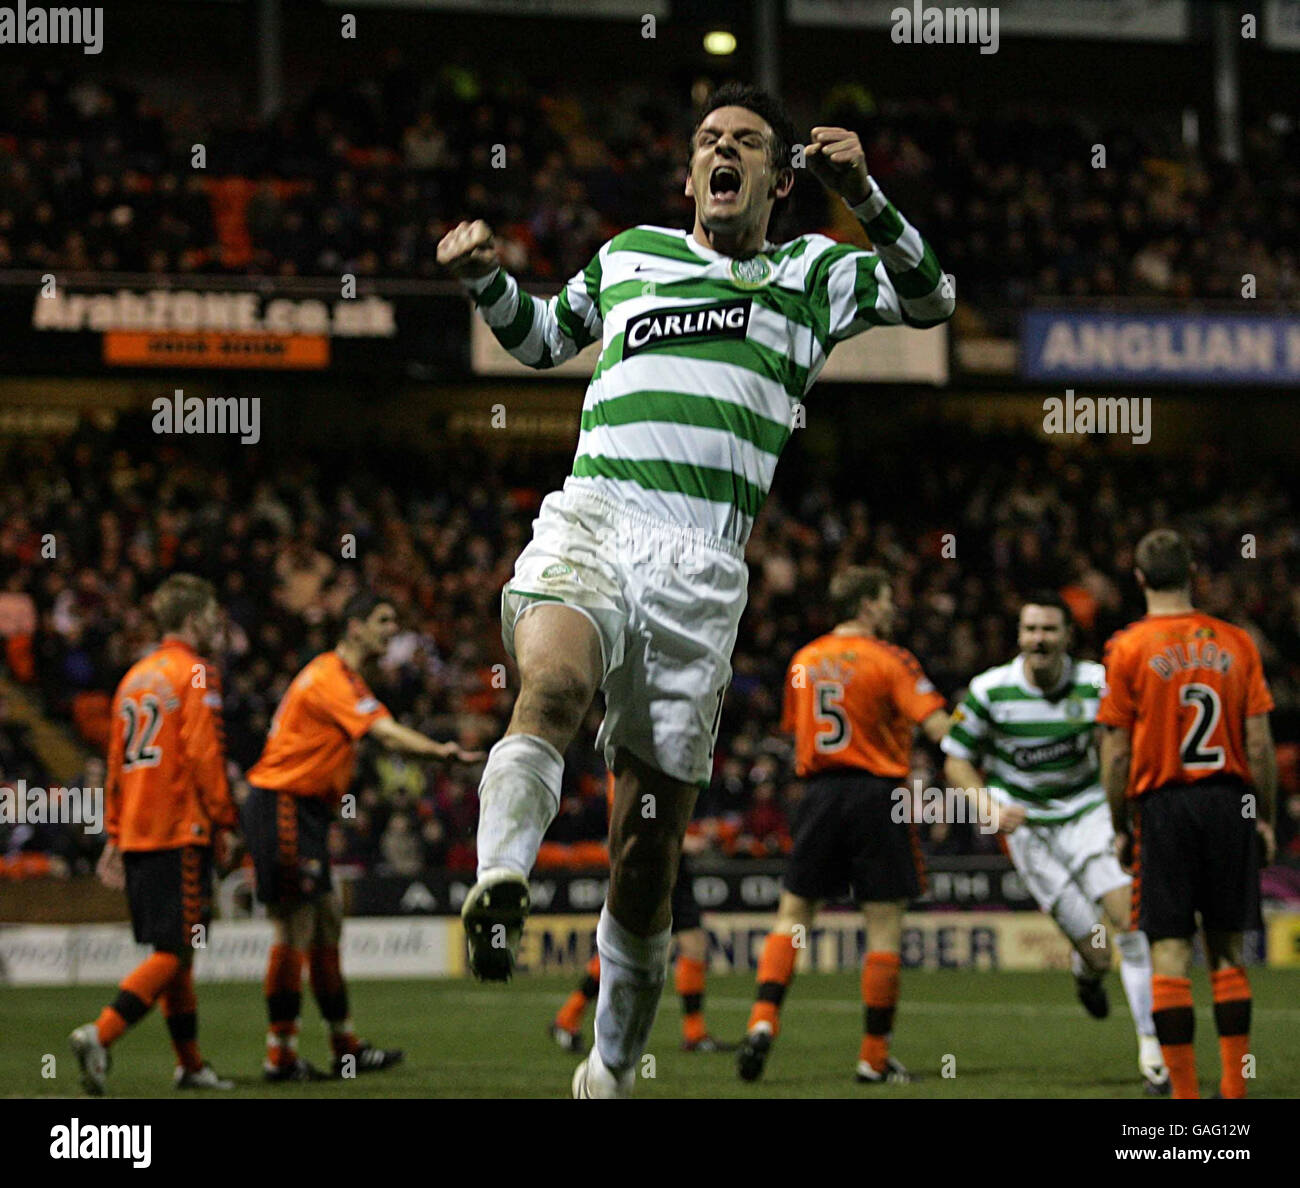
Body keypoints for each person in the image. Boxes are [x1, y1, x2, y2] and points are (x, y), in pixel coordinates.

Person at [439, 81, 954, 1098]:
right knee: (548, 688)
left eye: (749, 144)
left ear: (778, 177)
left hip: (700, 564)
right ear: (688, 174)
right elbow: (540, 339)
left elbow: (932, 300)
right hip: (594, 512)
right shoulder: (630, 254)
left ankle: (613, 1063)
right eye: (710, 141)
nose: (725, 153)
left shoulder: (813, 272)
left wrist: (869, 194)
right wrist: (488, 282)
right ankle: (500, 877)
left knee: (647, 847)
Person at [243, 591, 482, 1080]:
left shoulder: (343, 678)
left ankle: (344, 1049)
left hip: (302, 809)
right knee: (295, 927)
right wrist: (442, 754)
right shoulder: (330, 676)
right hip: (283, 804)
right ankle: (280, 1057)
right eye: (383, 620)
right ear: (354, 627)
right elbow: (387, 734)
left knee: (326, 920)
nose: (391, 629)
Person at [942, 592, 1169, 1095]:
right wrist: (988, 809)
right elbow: (956, 761)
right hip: (1029, 830)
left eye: (1048, 630)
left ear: (1068, 636)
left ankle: (1153, 1052)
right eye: (1030, 630)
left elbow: (1126, 742)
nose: (1038, 640)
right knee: (1099, 954)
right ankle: (1087, 974)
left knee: (1131, 925)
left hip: (1088, 813)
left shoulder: (1096, 683)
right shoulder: (989, 690)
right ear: (1018, 636)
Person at [736, 567, 949, 1085]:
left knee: (793, 916)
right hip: (878, 796)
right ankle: (873, 1059)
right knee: (883, 925)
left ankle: (762, 1021)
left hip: (818, 794)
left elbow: (795, 727)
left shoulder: (804, 660)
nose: (893, 607)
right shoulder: (890, 659)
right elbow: (939, 727)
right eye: (886, 598)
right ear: (867, 605)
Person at [1098, 531, 1276, 1100]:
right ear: (1193, 571)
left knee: (1169, 952)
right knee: (1227, 951)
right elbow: (1261, 743)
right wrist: (1264, 817)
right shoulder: (1237, 642)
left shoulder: (1126, 648)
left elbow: (1116, 752)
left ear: (1140, 578)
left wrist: (1121, 824)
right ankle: (1233, 1092)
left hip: (1163, 806)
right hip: (1227, 803)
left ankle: (1184, 1100)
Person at [70, 575, 238, 1095]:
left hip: (140, 831)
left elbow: (115, 764)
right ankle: (100, 1033)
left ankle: (189, 1064)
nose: (216, 626)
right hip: (178, 828)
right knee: (176, 949)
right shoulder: (195, 673)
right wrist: (225, 820)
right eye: (211, 616)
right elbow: (203, 753)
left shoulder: (134, 677)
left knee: (175, 951)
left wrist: (115, 833)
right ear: (192, 620)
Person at [550, 774, 732, 1054]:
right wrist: (685, 841)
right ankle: (567, 1017)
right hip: (647, 862)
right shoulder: (634, 766)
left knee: (693, 942)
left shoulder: (648, 759)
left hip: (670, 862)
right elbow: (641, 819)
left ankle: (694, 1033)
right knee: (627, 946)